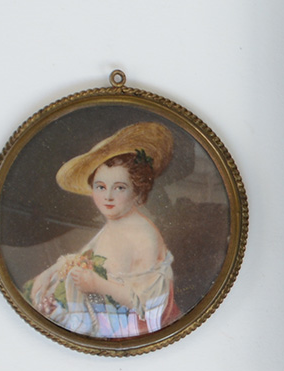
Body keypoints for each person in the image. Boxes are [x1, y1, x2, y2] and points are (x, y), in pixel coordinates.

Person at [26, 123, 180, 338]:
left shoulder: (144, 235)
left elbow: (147, 304)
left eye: (119, 188)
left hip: (129, 329)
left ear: (138, 192)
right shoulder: (115, 223)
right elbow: (85, 259)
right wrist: (50, 271)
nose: (108, 197)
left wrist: (98, 285)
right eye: (101, 187)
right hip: (103, 315)